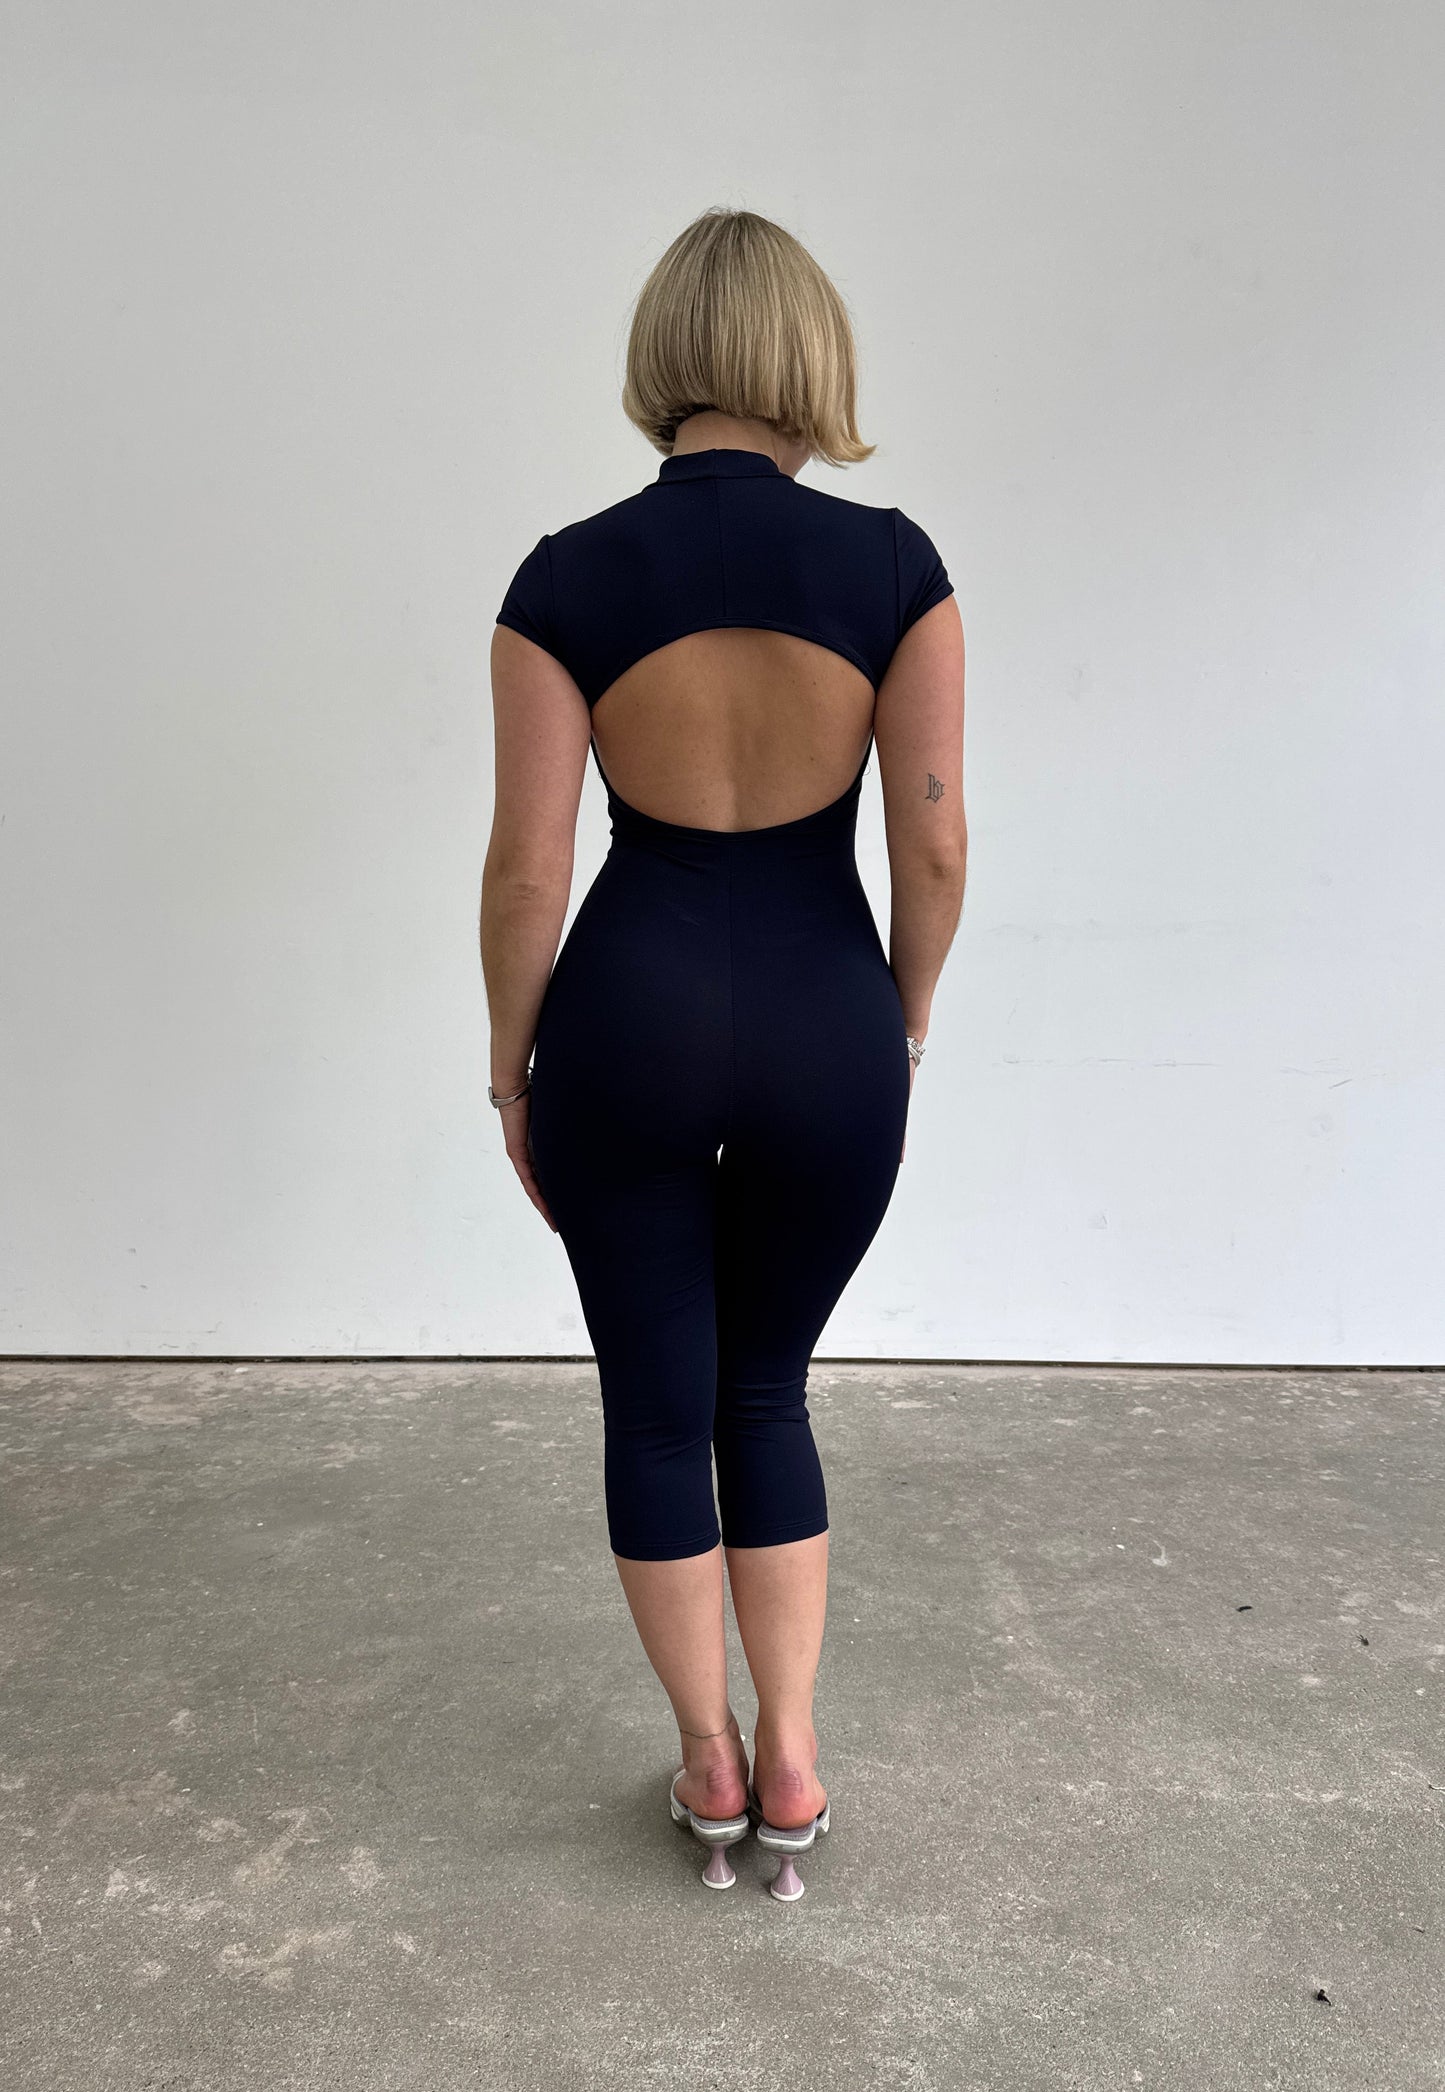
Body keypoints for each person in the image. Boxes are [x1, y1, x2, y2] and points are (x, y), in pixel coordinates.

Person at [481, 207, 967, 1900]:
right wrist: (901, 1014)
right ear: (807, 361)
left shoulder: (564, 578)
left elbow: (528, 868)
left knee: (653, 1406)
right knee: (764, 1390)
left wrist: (510, 1067)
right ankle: (795, 1756)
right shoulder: (893, 569)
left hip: (625, 1018)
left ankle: (703, 1762)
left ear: (662, 362)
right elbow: (933, 846)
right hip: (827, 1017)